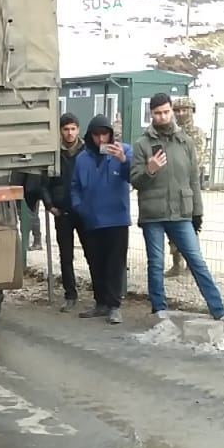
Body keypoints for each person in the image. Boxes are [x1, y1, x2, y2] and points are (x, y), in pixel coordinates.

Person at [130, 94, 224, 321]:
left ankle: (218, 310)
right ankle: (159, 309)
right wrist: (150, 169)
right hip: (153, 214)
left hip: (181, 212)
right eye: (157, 113)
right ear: (151, 115)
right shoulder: (142, 144)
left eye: (166, 111)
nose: (162, 116)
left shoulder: (185, 141)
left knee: (196, 260)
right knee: (156, 263)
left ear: (171, 111)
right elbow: (135, 180)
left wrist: (197, 212)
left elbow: (194, 180)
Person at [70, 115, 132, 324]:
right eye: (96, 135)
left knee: (115, 264)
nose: (101, 139)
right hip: (91, 219)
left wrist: (123, 160)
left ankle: (114, 305)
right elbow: (75, 186)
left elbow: (134, 176)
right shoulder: (82, 159)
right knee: (95, 262)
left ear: (111, 135)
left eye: (104, 134)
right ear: (90, 136)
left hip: (117, 218)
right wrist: (80, 207)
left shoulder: (124, 151)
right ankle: (101, 303)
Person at [43, 113, 86, 312]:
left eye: (72, 129)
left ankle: (101, 297)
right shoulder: (53, 154)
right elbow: (44, 183)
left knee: (92, 254)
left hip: (84, 213)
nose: (69, 133)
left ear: (78, 129)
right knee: (66, 256)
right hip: (62, 213)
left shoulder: (86, 152)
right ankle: (70, 295)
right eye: (65, 129)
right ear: (60, 131)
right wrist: (49, 204)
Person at [168, 96, 208, 278]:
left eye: (185, 110)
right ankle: (176, 263)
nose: (181, 114)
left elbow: (195, 161)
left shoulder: (197, 134)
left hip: (189, 188)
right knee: (170, 223)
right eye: (177, 110)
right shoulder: (169, 132)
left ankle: (191, 266)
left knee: (190, 226)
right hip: (169, 186)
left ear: (192, 111)